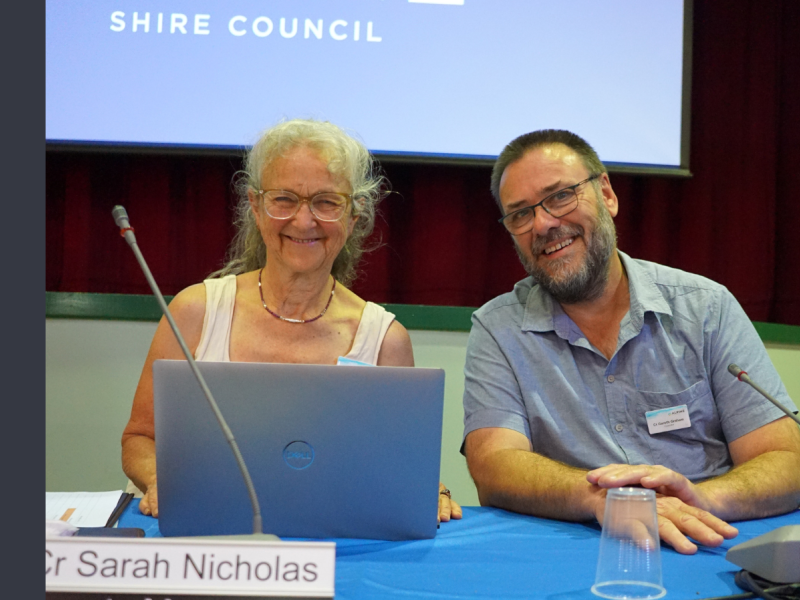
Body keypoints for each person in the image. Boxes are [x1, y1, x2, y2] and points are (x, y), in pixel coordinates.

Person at [462, 129, 800, 555]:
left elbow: (786, 457)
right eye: (520, 214)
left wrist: (703, 500)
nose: (544, 224)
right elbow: (493, 465)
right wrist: (603, 500)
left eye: (561, 196)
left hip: (710, 544)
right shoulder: (498, 328)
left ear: (606, 194)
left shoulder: (706, 308)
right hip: (579, 551)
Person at [122, 119, 462, 523]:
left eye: (326, 201)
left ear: (353, 216)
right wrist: (161, 479)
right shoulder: (195, 311)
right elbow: (139, 439)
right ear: (255, 207)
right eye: (284, 199)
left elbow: (396, 467)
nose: (304, 221)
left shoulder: (385, 340)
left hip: (330, 538)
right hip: (200, 532)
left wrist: (431, 486)